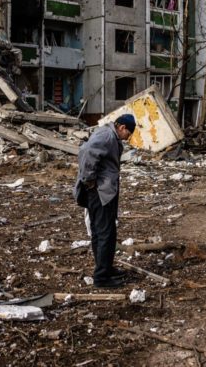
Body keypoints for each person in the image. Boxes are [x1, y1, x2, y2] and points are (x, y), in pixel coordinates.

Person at [72, 114, 136, 288]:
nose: (128, 137)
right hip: (100, 192)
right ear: (122, 127)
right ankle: (101, 277)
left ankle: (105, 268)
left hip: (102, 190)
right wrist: (89, 180)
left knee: (103, 231)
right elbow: (87, 152)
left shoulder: (109, 135)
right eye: (128, 133)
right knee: (105, 232)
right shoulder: (106, 135)